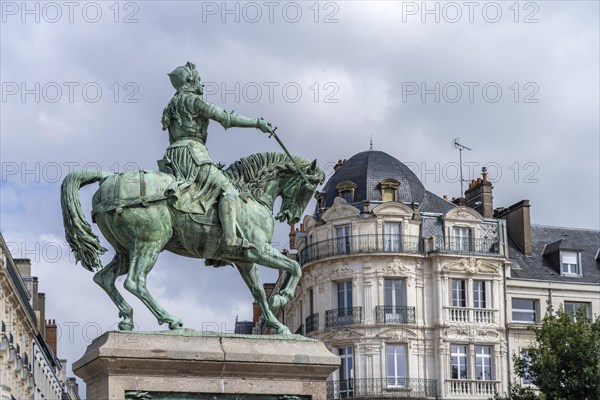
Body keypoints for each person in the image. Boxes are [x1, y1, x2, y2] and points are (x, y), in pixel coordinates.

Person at [159, 62, 275, 254]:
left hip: (173, 156)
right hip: (193, 154)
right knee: (229, 191)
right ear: (191, 80)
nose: (201, 84)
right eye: (198, 79)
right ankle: (230, 239)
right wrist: (256, 123)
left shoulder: (171, 105)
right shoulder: (194, 101)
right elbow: (226, 118)